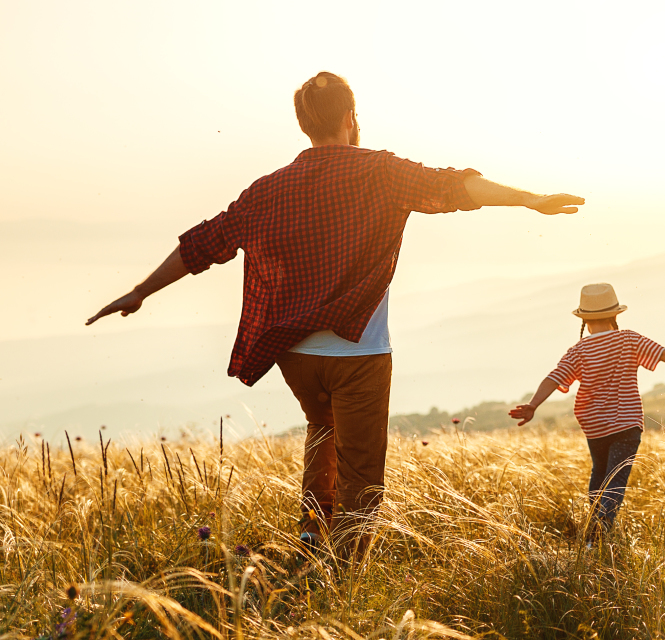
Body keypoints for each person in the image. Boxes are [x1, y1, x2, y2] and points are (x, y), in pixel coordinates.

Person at [86, 71, 585, 561]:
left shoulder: (267, 190)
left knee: (322, 430)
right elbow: (455, 187)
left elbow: (205, 244)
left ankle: (310, 536)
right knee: (362, 471)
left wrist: (139, 291)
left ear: (305, 125)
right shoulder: (381, 172)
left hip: (295, 357)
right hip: (359, 354)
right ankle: (343, 572)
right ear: (351, 118)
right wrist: (531, 200)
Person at [509, 282, 665, 541]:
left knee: (599, 474)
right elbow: (664, 354)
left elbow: (553, 378)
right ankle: (599, 533)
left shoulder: (578, 350)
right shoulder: (629, 339)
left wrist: (533, 405)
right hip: (626, 423)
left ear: (584, 320)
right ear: (615, 314)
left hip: (594, 425)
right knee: (616, 479)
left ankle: (593, 531)